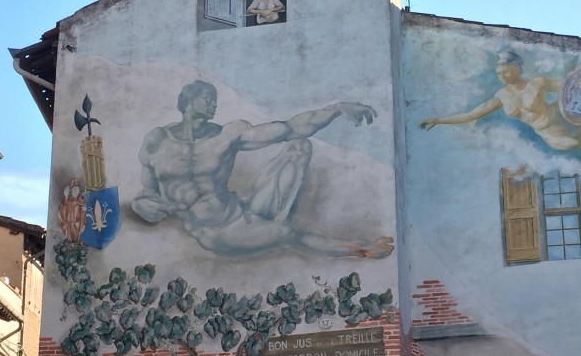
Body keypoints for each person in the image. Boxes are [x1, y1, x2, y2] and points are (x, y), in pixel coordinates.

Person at [131, 80, 394, 259]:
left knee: (299, 145)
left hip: (243, 210)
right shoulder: (157, 141)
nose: (214, 104)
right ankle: (361, 250)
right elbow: (146, 194)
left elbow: (291, 127)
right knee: (286, 234)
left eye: (215, 99)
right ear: (188, 100)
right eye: (207, 98)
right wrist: (146, 207)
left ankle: (282, 223)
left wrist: (335, 110)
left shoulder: (228, 135)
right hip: (218, 233)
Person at [419, 52, 581, 151]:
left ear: (517, 68)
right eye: (498, 71)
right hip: (555, 137)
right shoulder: (501, 97)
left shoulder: (539, 82)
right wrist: (439, 120)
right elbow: (471, 114)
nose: (501, 74)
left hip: (564, 118)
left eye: (505, 69)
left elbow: (573, 88)